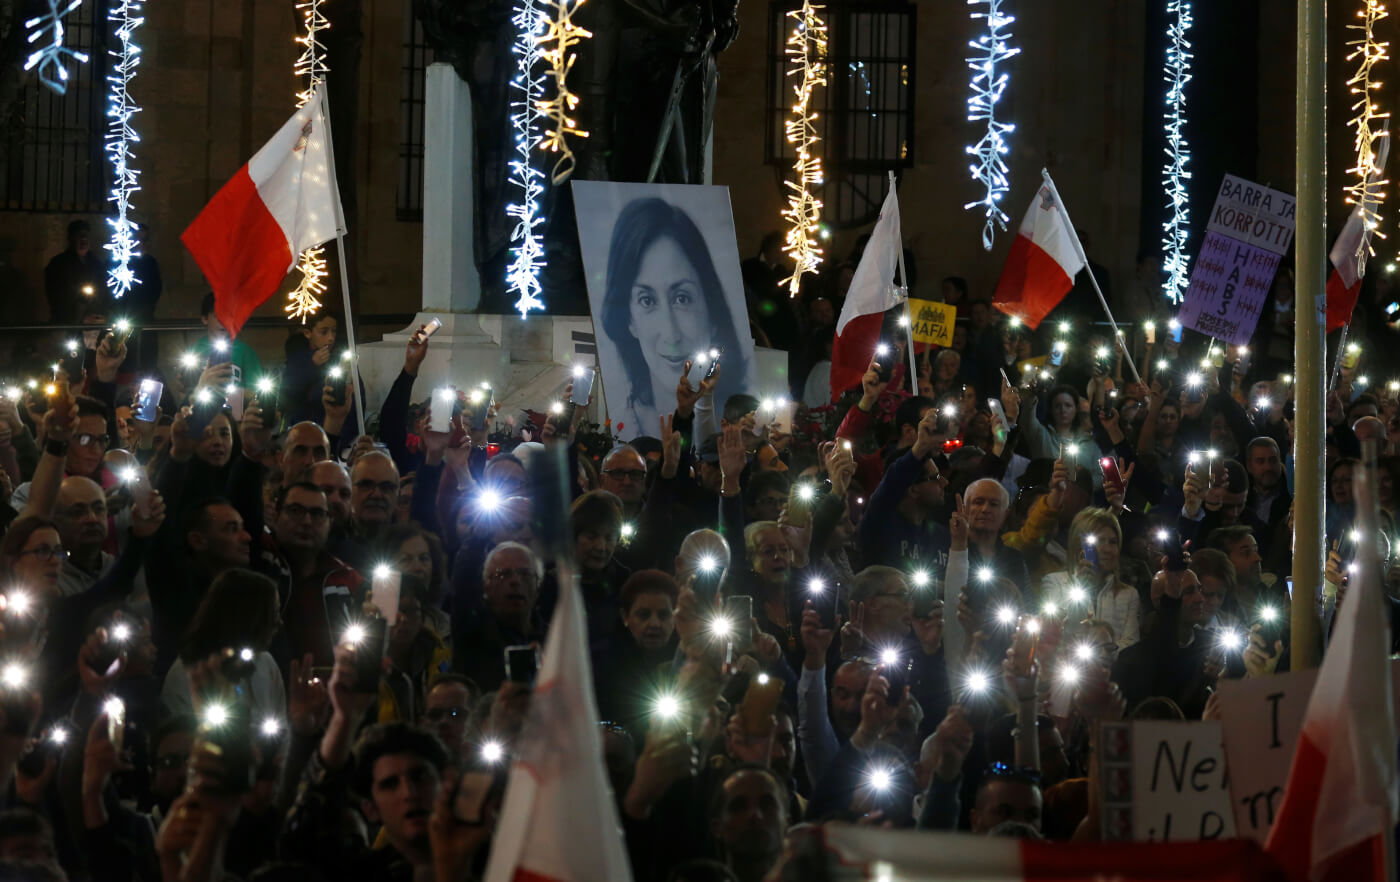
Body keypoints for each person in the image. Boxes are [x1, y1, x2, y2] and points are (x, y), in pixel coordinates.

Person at [600, 197, 751, 435]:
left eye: (682, 298)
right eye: (647, 300)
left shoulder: (746, 426)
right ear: (629, 320)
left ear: (711, 309)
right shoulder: (616, 427)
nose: (671, 333)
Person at [160, 568, 286, 722]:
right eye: (273, 614)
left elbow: (282, 736)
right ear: (247, 616)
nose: (279, 623)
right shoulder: (186, 674)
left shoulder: (267, 665)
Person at [44, 219, 104, 323]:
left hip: (92, 323)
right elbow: (56, 296)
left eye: (86, 236)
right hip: (66, 322)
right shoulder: (58, 264)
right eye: (80, 235)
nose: (84, 239)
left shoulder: (96, 264)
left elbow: (103, 291)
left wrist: (100, 314)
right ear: (71, 239)